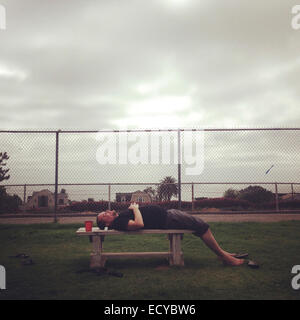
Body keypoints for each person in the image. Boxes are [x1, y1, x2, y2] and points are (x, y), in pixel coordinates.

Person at [96, 203, 254, 267]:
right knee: (203, 227)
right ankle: (226, 258)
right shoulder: (118, 222)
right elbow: (139, 224)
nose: (109, 211)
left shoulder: (118, 218)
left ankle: (223, 253)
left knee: (201, 226)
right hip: (169, 219)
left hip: (169, 215)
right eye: (105, 214)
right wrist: (136, 208)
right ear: (107, 223)